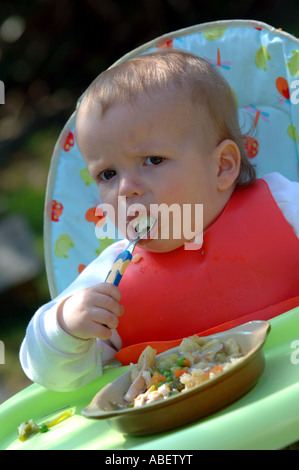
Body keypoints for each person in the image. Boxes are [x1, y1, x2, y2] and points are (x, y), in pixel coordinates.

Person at [20, 49, 299, 391]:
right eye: (108, 173)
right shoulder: (111, 283)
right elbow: (54, 377)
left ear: (223, 166)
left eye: (153, 160)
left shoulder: (283, 207)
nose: (126, 189)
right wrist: (65, 327)